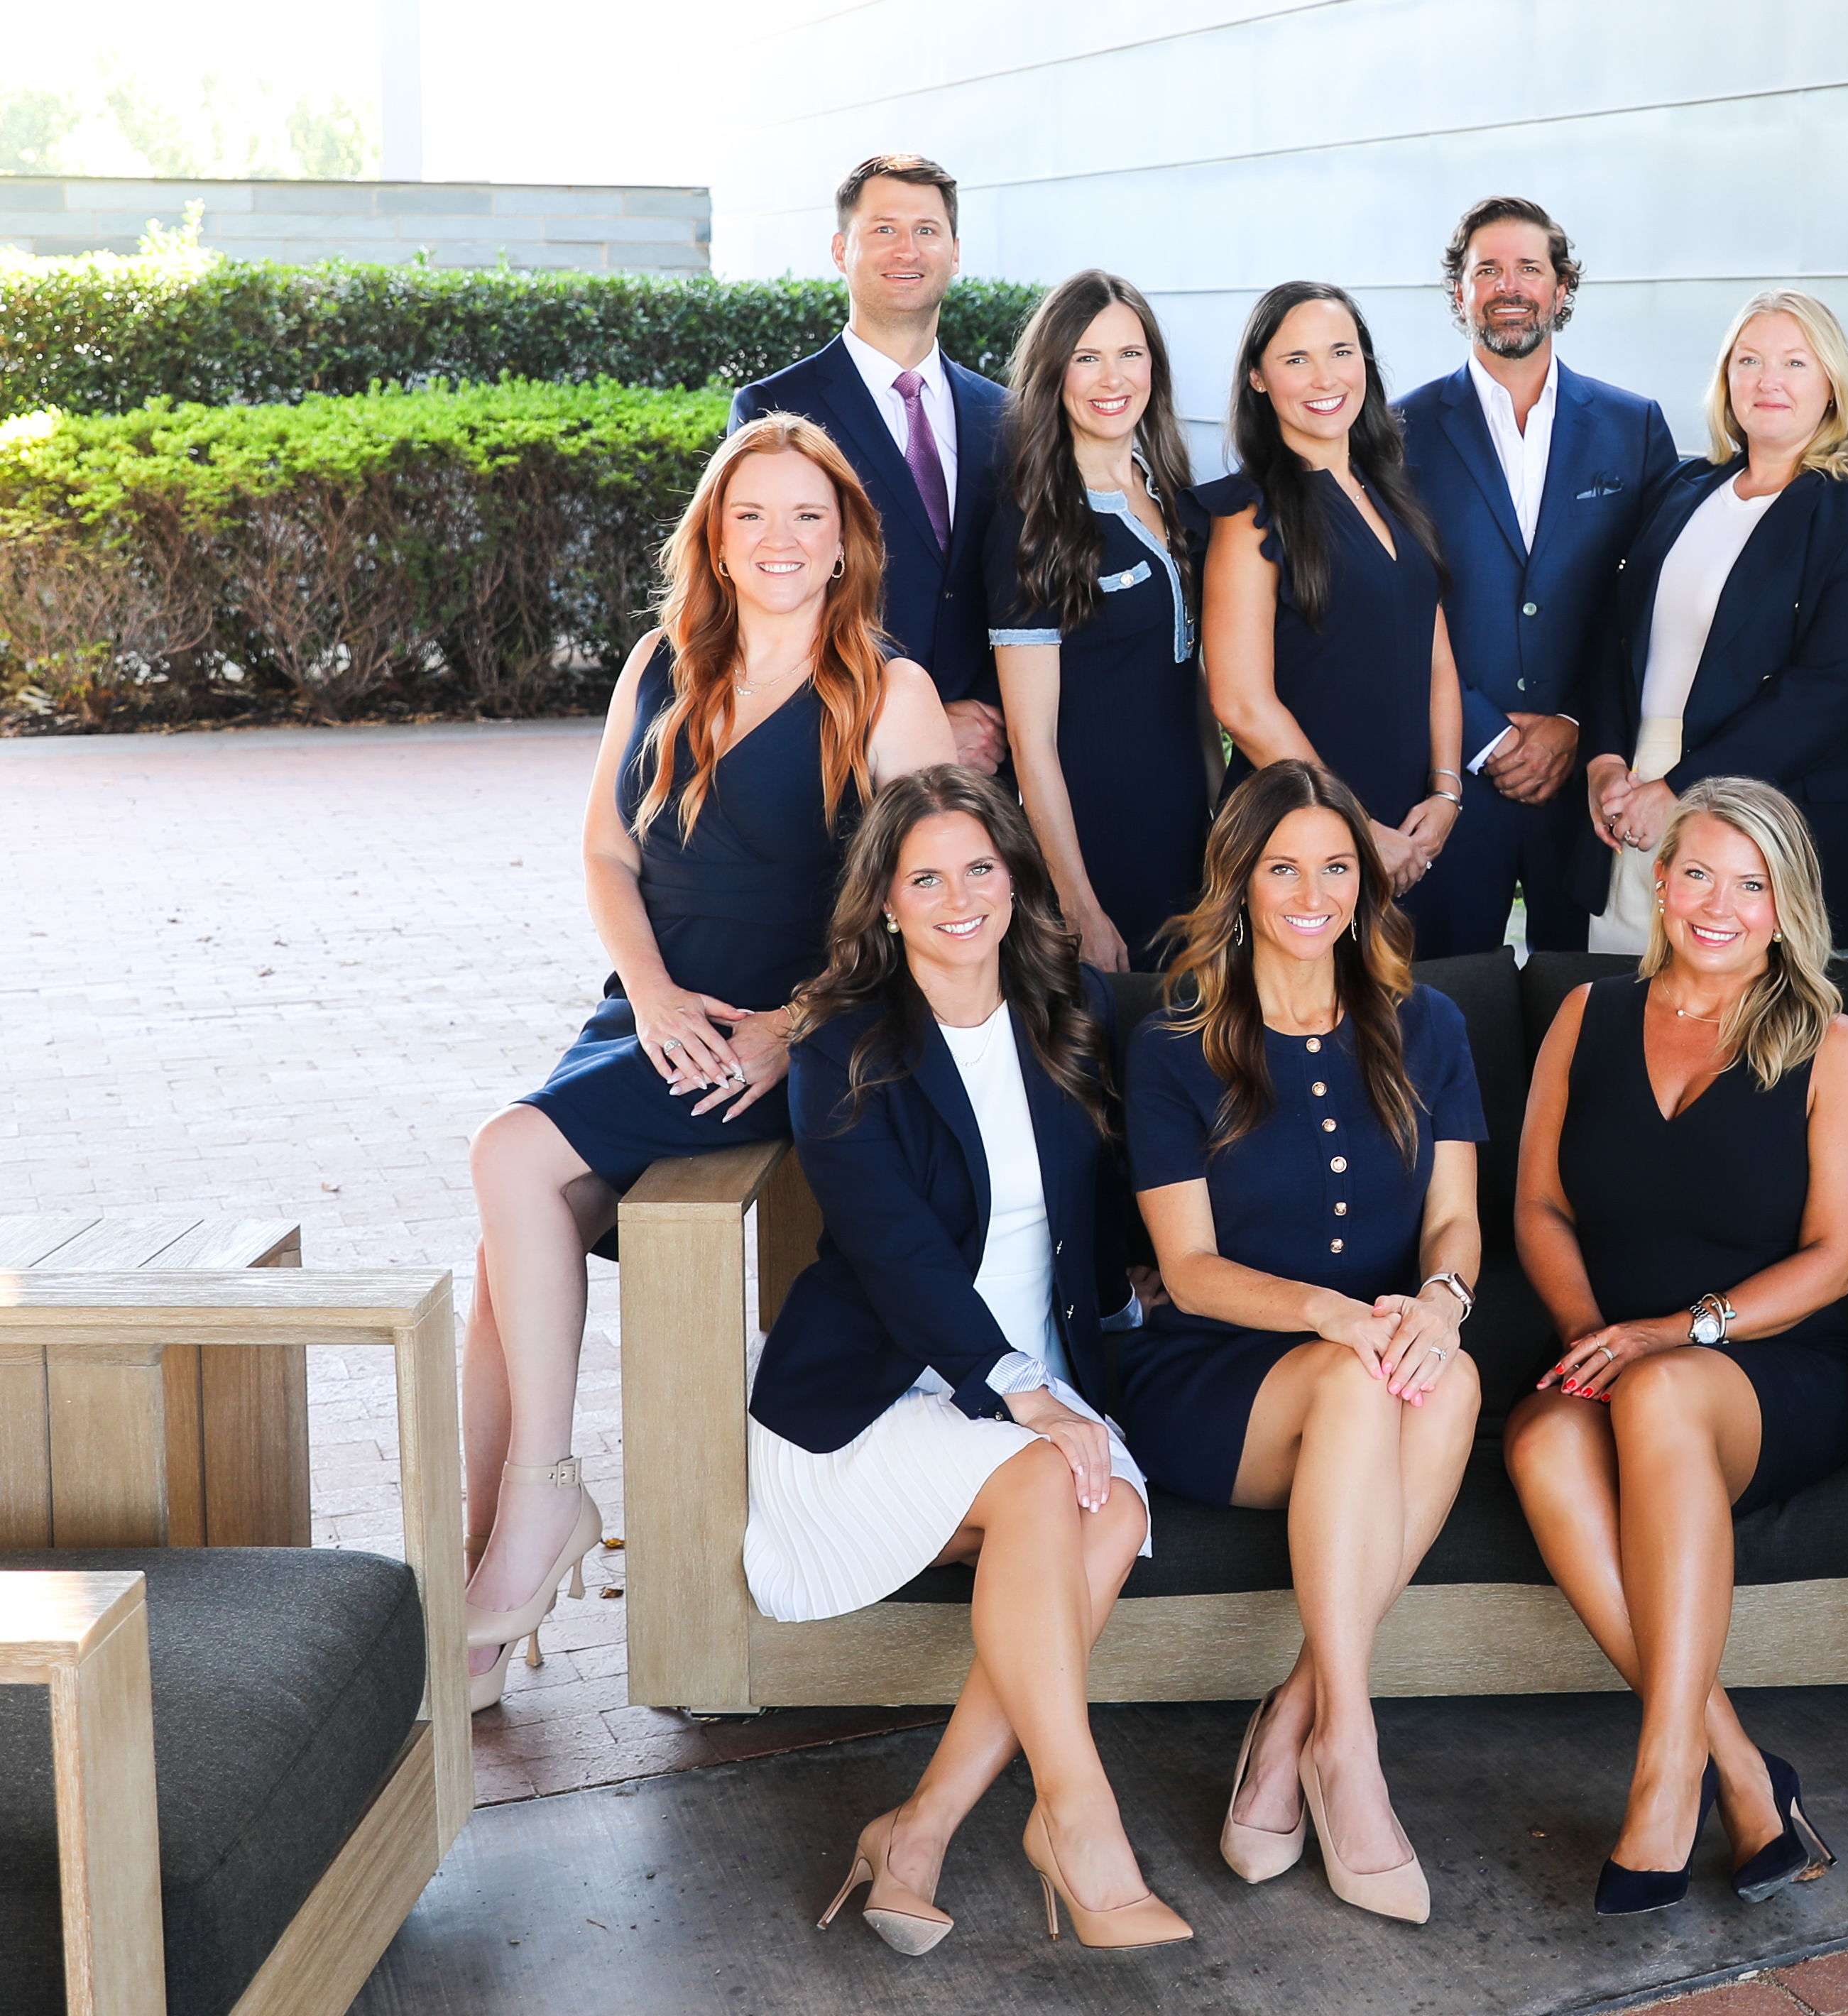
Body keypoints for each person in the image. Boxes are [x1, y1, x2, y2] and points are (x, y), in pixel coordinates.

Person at [462, 417, 953, 1711]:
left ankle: (536, 1515)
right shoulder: (661, 659)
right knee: (506, 1250)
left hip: (796, 1025)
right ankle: (475, 1574)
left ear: (846, 542)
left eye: (808, 516)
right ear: (715, 540)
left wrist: (790, 1026)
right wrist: (650, 989)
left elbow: (938, 898)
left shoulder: (888, 693)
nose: (780, 540)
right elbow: (606, 857)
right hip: (654, 1009)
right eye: (752, 516)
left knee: (510, 1154)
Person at [748, 767, 1187, 1954]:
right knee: (1059, 1480)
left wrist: (1132, 1294)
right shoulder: (838, 1050)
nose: (958, 897)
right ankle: (1080, 1815)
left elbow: (1104, 1202)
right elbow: (900, 1259)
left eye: (979, 868)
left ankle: (921, 1827)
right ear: (885, 902)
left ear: (1013, 878)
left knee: (1094, 1507)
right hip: (876, 1402)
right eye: (925, 876)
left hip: (1027, 1396)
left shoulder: (1073, 1015)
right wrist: (1027, 1396)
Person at [1507, 777, 1848, 1915]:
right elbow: (1536, 1206)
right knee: (1538, 1446)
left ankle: (1666, 1775)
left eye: (1752, 883)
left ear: (1785, 905)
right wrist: (1591, 1333)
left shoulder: (1833, 1043)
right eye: (1699, 873)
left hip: (1766, 1370)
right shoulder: (1586, 1016)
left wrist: (1675, 1333)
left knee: (1664, 1398)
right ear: (1661, 883)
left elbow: (1834, 1260)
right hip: (1607, 1347)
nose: (1720, 903)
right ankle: (1738, 1766)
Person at [1116, 760, 1485, 1924]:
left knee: (1453, 1379)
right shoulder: (1175, 1045)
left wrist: (1439, 1300)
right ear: (1240, 881)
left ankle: (1295, 1722)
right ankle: (1355, 1747)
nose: (1314, 891)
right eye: (1285, 868)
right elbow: (1189, 1270)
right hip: (1218, 1370)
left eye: (1337, 867)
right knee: (1359, 1382)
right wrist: (1333, 1315)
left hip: (1376, 1354)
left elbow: (1457, 1217)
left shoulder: (1429, 1026)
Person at [1576, 290, 1848, 956]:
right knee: (1632, 1007)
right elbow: (1615, 639)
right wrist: (1604, 761)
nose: (1768, 381)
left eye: (1795, 362)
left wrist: (1682, 790)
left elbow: (1833, 692)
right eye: (1749, 360)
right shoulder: (1683, 491)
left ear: (1832, 386)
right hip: (1637, 792)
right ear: (1725, 378)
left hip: (1780, 808)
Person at [1394, 196, 1681, 958]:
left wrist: (1579, 725)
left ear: (1561, 289)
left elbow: (1647, 605)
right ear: (1461, 293)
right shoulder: (1396, 432)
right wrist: (1486, 733)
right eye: (1488, 269)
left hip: (1589, 780)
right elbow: (1392, 606)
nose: (1509, 285)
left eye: (1530, 268)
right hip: (1449, 770)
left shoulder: (1636, 426)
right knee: (1446, 999)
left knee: (1582, 1004)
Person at [732, 154, 1010, 771]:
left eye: (927, 231)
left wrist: (996, 718)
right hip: (837, 756)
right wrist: (917, 719)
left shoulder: (1007, 416)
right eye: (883, 229)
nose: (906, 250)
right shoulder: (776, 408)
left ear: (955, 251)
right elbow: (765, 600)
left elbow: (1026, 588)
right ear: (840, 249)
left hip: (988, 765)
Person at [1201, 283, 1465, 915]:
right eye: (1296, 360)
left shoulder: (1396, 494)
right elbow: (1241, 702)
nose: (1325, 378)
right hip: (1304, 832)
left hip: (1413, 828)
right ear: (1258, 379)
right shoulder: (1247, 514)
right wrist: (1354, 829)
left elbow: (1437, 664)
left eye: (1341, 352)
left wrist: (1447, 793)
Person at [985, 269, 1213, 970]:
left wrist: (1223, 828)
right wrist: (1078, 901)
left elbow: (1193, 689)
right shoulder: (1030, 523)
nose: (1112, 377)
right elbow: (1030, 741)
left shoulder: (1173, 493)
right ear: (1055, 372)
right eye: (1087, 357)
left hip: (1190, 838)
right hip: (1097, 843)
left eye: (1130, 353)